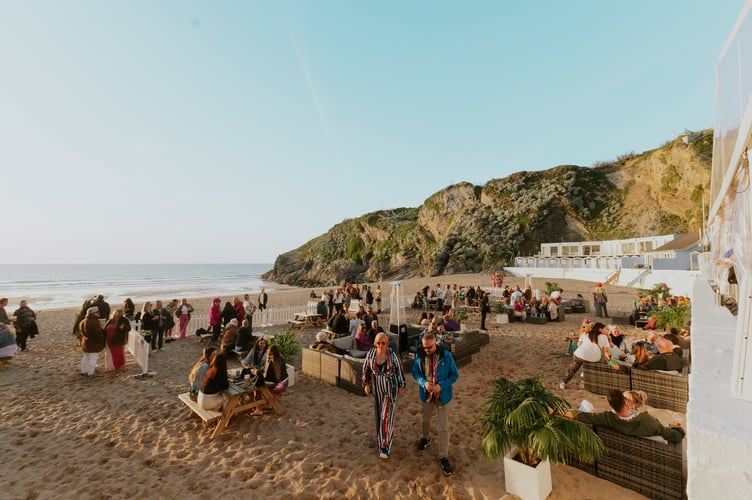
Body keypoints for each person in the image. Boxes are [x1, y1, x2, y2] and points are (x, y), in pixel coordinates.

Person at [412, 332, 459, 477]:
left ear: (435, 344)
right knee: (425, 420)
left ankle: (443, 456)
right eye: (424, 347)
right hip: (426, 395)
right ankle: (426, 437)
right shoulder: (419, 355)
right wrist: (423, 382)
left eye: (429, 347)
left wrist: (442, 385)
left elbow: (455, 375)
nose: (427, 350)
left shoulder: (446, 356)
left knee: (443, 426)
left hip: (442, 396)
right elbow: (415, 373)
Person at [570, 389, 685, 443]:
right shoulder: (649, 422)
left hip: (599, 426)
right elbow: (674, 436)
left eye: (625, 397)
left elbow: (580, 416)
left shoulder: (608, 418)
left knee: (585, 404)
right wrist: (678, 429)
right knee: (585, 406)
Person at [363, 332, 406, 459]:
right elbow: (365, 368)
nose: (381, 345)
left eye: (383, 343)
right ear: (375, 343)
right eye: (378, 343)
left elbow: (399, 370)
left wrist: (401, 385)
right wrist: (366, 384)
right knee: (378, 415)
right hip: (377, 388)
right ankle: (381, 438)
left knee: (386, 416)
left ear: (387, 343)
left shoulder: (392, 355)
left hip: (390, 388)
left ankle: (384, 447)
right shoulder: (371, 353)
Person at [560, 320, 614, 389]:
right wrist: (612, 362)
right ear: (600, 329)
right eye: (605, 329)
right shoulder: (604, 337)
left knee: (573, 369)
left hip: (579, 355)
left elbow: (578, 344)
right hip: (594, 359)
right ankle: (585, 374)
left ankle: (564, 383)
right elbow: (607, 352)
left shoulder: (585, 334)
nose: (606, 330)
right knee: (600, 359)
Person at [79, 307, 105, 377]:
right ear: (94, 313)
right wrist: (101, 342)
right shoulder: (94, 322)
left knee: (85, 357)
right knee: (93, 359)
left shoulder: (83, 321)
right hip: (94, 343)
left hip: (85, 342)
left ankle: (84, 371)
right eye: (97, 312)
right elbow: (97, 335)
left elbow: (81, 333)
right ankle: (91, 373)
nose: (98, 313)